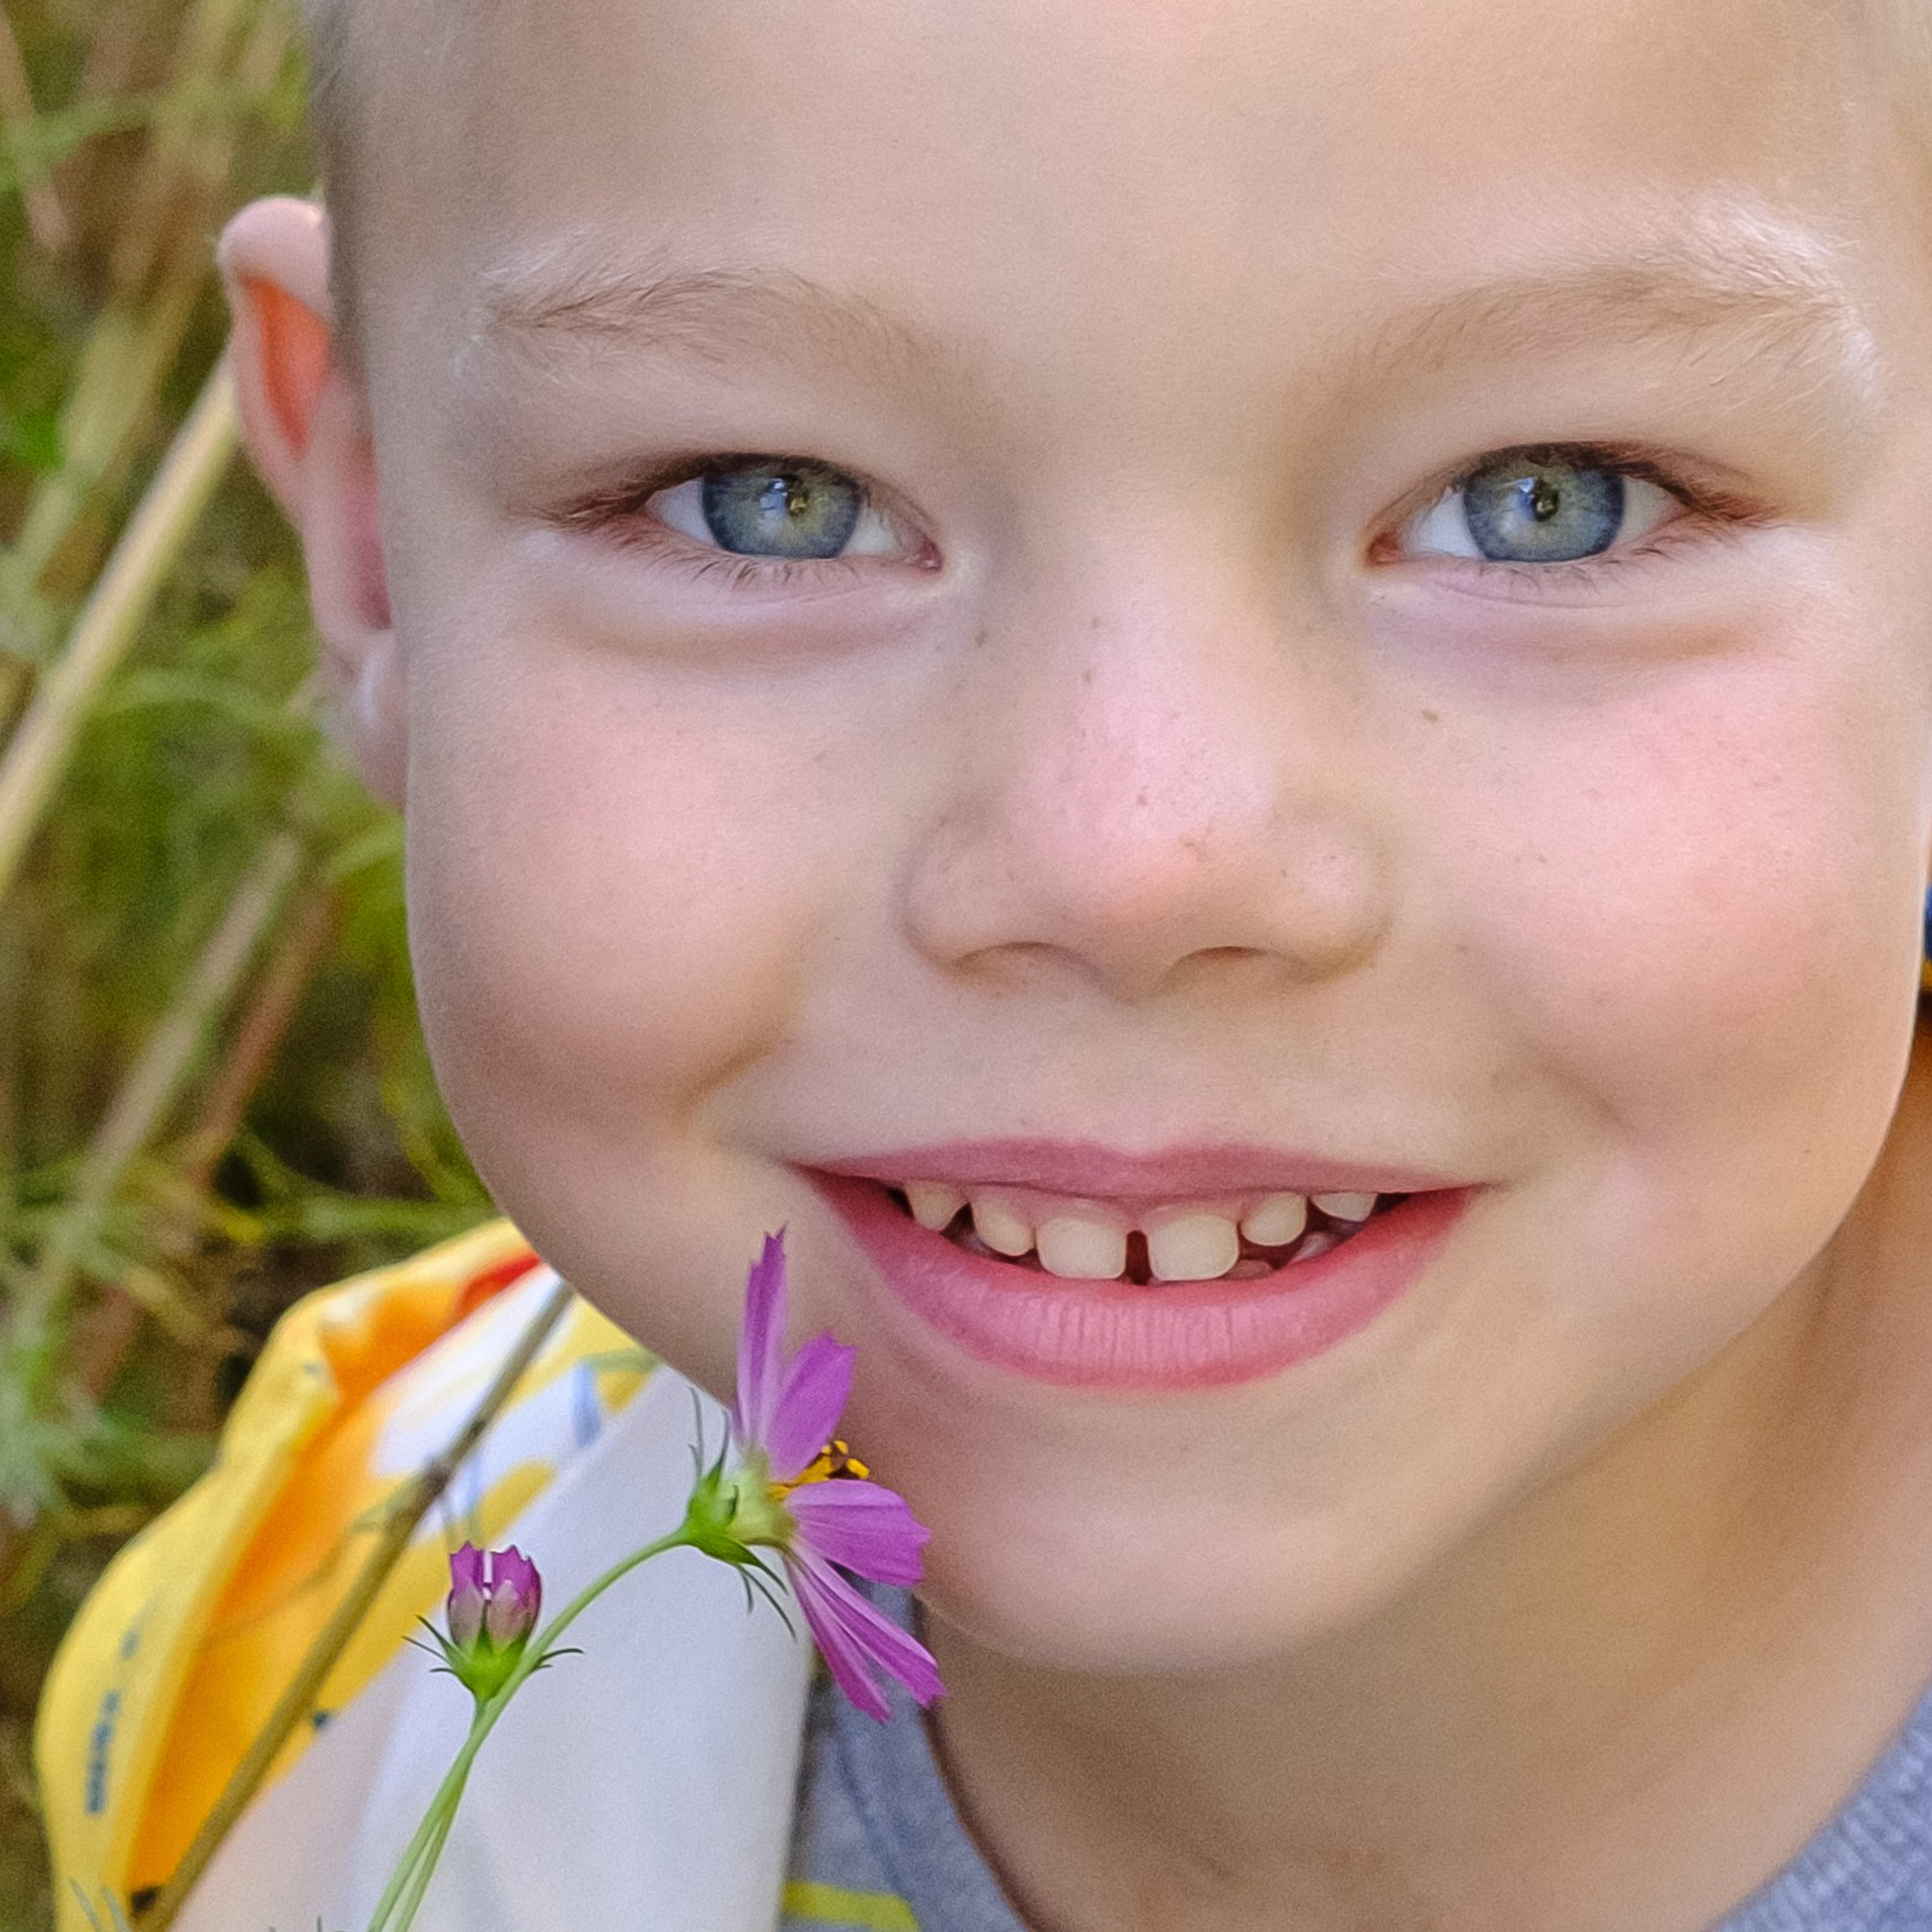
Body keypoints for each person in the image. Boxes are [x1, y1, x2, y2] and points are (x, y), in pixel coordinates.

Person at [36, 0, 1932, 1925]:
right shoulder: (282, 1699)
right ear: (372, 550)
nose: (1130, 856)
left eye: (1547, 498)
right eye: (769, 497)